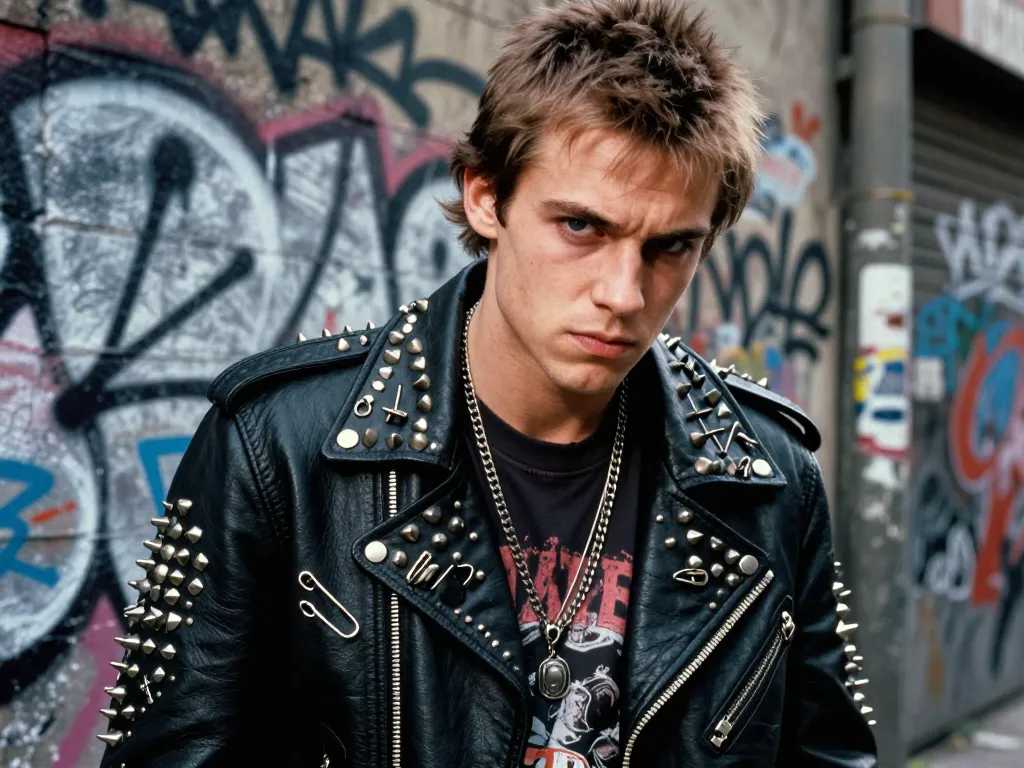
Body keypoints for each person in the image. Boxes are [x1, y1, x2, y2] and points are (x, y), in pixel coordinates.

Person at [96, 1, 878, 766]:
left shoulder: (771, 481)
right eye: (582, 227)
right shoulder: (276, 449)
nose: (625, 294)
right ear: (485, 195)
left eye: (671, 247)